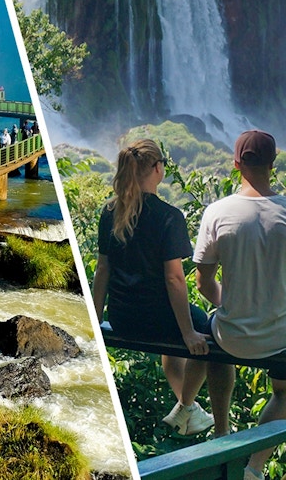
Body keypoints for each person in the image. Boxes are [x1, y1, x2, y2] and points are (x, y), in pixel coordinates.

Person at [93, 139, 213, 435]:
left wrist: (95, 320)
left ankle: (189, 410)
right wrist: (187, 331)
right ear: (158, 168)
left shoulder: (110, 212)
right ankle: (186, 407)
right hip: (159, 319)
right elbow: (174, 279)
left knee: (175, 350)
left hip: (122, 318)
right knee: (208, 330)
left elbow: (102, 269)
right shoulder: (169, 216)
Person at [194, 130, 286, 479]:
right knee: (284, 393)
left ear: (236, 164)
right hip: (279, 335)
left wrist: (230, 305)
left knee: (213, 341)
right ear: (273, 163)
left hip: (231, 333)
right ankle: (255, 467)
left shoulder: (217, 212)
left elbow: (202, 283)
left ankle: (222, 435)